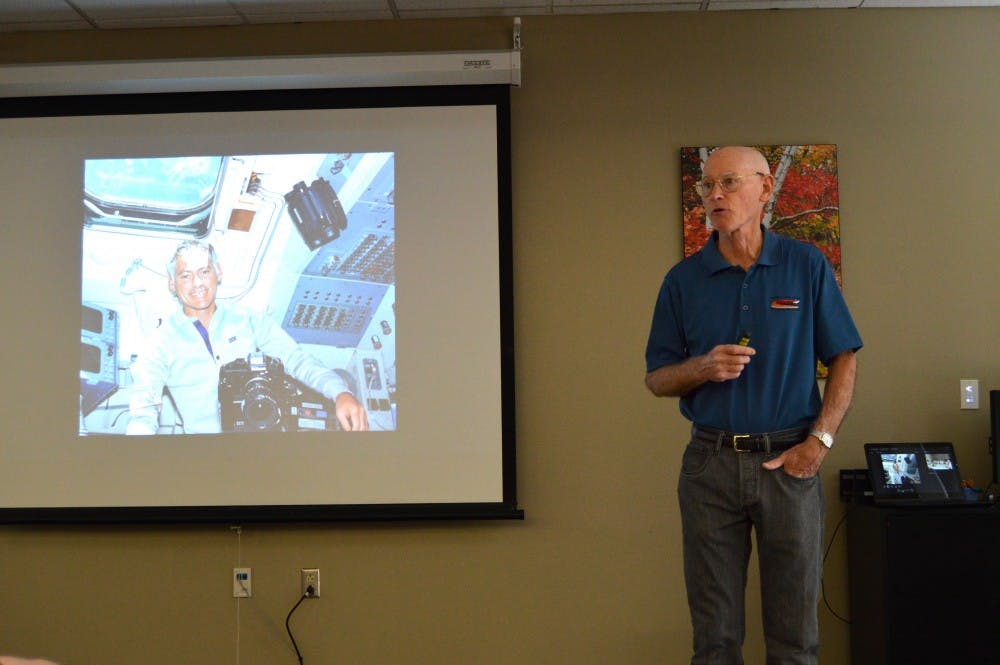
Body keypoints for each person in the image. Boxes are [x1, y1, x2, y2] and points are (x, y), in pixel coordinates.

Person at [644, 146, 861, 664]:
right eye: (707, 187)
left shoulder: (805, 265)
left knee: (795, 640)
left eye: (730, 183)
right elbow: (656, 378)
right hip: (709, 467)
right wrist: (703, 367)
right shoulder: (682, 281)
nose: (715, 195)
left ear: (765, 190)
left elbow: (844, 359)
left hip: (790, 464)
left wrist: (820, 441)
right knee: (715, 640)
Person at [127, 239, 368, 434]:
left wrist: (340, 392)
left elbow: (295, 359)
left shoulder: (249, 319)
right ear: (172, 284)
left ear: (218, 273)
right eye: (185, 276)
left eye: (204, 271)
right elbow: (144, 408)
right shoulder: (160, 343)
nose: (197, 283)